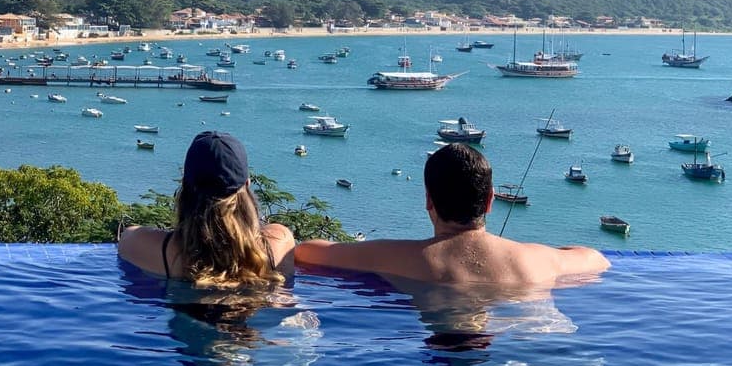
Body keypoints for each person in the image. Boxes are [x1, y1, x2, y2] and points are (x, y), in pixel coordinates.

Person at [292, 142, 609, 285]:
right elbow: (596, 258)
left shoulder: (395, 257)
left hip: (441, 351)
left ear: (429, 200)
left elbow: (307, 251)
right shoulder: (537, 259)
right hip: (534, 338)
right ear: (489, 201)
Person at [118, 131, 295, 285]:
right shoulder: (278, 244)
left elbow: (127, 236)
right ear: (247, 186)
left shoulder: (147, 247)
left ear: (184, 188)